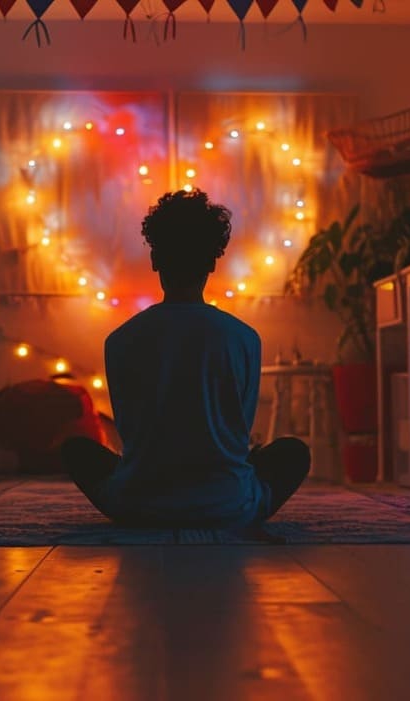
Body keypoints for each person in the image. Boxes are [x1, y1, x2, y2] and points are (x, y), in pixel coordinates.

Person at [61, 189, 310, 529]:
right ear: (212, 261)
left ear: (154, 259)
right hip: (228, 505)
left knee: (77, 450)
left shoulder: (119, 340)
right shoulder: (244, 338)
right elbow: (238, 429)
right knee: (292, 452)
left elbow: (131, 432)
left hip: (138, 504)